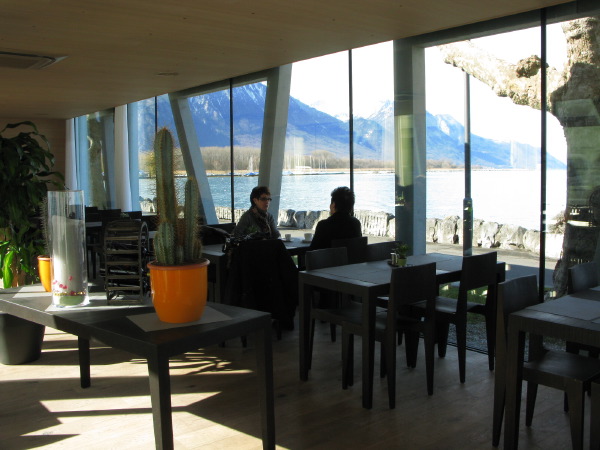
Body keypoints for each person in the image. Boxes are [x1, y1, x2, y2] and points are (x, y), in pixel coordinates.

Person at [309, 186, 362, 250]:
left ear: (333, 205)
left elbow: (312, 251)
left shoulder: (323, 225)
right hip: (351, 256)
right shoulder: (356, 224)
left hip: (329, 257)